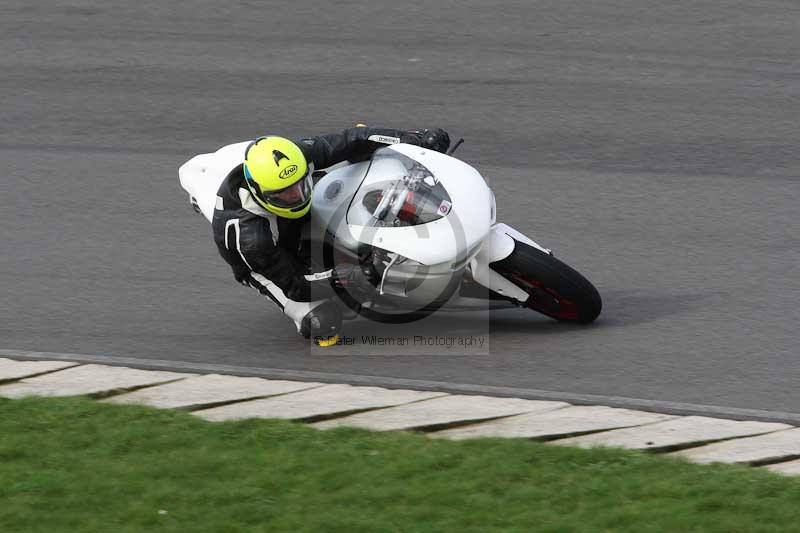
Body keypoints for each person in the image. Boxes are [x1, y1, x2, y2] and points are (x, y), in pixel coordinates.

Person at [211, 125, 450, 343]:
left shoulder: (296, 158)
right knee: (322, 322)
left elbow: (352, 138)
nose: (296, 196)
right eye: (286, 193)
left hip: (288, 221)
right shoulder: (251, 238)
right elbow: (296, 286)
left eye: (300, 185)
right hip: (266, 267)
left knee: (363, 156)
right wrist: (346, 278)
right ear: (259, 192)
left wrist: (413, 140)